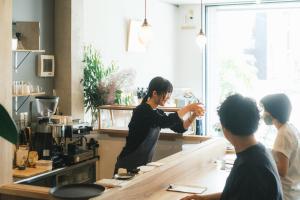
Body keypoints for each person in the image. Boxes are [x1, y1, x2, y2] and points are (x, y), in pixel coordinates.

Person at [181, 94, 283, 200]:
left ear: (224, 127)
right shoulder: (258, 151)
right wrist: (203, 198)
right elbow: (235, 194)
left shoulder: (249, 167)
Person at [114, 76, 204, 174]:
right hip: (127, 165)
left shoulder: (158, 112)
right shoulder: (142, 110)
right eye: (167, 92)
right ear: (155, 93)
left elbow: (180, 128)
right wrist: (188, 108)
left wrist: (194, 115)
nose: (169, 96)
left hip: (142, 166)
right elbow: (166, 122)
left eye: (170, 92)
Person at [260, 93, 300, 200]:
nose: (263, 114)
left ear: (273, 112)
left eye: (265, 110)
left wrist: (262, 164)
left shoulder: (283, 134)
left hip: (285, 193)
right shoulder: (290, 128)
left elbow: (282, 170)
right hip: (294, 190)